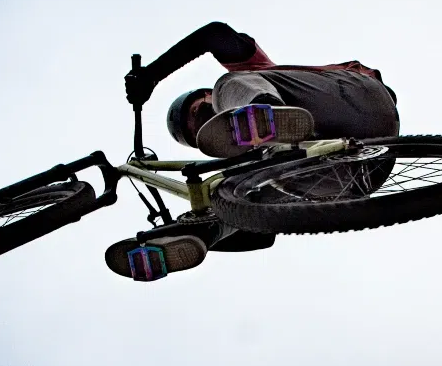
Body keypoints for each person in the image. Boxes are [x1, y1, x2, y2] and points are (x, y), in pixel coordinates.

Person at [106, 22, 400, 281]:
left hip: (355, 97)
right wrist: (210, 227)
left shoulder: (250, 72)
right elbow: (262, 237)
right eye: (202, 131)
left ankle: (268, 110)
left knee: (231, 84)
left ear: (207, 96)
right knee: (239, 194)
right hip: (365, 170)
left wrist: (152, 75)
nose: (206, 121)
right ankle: (202, 232)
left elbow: (214, 34)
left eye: (203, 111)